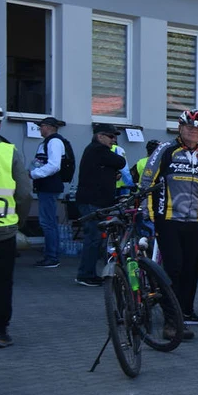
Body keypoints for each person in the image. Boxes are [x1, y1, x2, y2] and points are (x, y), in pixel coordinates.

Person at [138, 110, 198, 328]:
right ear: (180, 128)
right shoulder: (166, 151)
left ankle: (182, 313)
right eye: (189, 127)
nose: (194, 131)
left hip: (193, 223)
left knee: (188, 271)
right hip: (167, 220)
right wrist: (149, 217)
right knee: (173, 269)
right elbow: (146, 183)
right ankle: (171, 322)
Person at [0, 105, 34, 347]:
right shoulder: (8, 152)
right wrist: (18, 222)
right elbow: (24, 193)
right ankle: (0, 332)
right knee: (2, 281)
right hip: (3, 230)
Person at [75, 123, 126, 287]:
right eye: (111, 136)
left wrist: (111, 175)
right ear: (100, 136)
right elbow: (120, 161)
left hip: (95, 201)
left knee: (96, 238)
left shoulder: (96, 152)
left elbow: (103, 169)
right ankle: (86, 274)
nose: (114, 140)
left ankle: (89, 272)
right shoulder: (98, 150)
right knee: (93, 238)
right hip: (93, 202)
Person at [29, 116, 70, 268]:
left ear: (49, 127)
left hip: (49, 187)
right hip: (46, 187)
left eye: (41, 126)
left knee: (48, 223)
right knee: (49, 222)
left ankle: (52, 257)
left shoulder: (54, 142)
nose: (40, 129)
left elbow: (54, 166)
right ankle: (51, 254)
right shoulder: (48, 142)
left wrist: (33, 174)